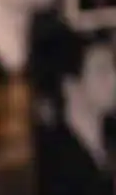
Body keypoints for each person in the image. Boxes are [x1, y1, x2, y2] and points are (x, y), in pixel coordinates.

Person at [34, 35, 116, 195]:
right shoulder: (52, 160)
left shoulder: (111, 139)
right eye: (102, 71)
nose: (114, 80)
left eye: (114, 67)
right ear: (69, 85)